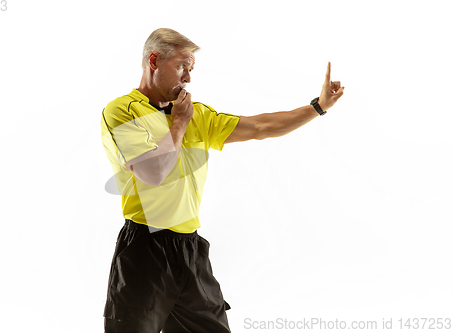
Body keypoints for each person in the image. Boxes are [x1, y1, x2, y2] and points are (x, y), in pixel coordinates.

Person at [100, 28, 345, 333]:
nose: (188, 78)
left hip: (189, 250)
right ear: (153, 61)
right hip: (144, 250)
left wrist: (318, 106)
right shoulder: (122, 111)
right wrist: (178, 123)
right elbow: (153, 172)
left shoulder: (196, 115)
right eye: (181, 67)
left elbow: (260, 126)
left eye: (191, 69)